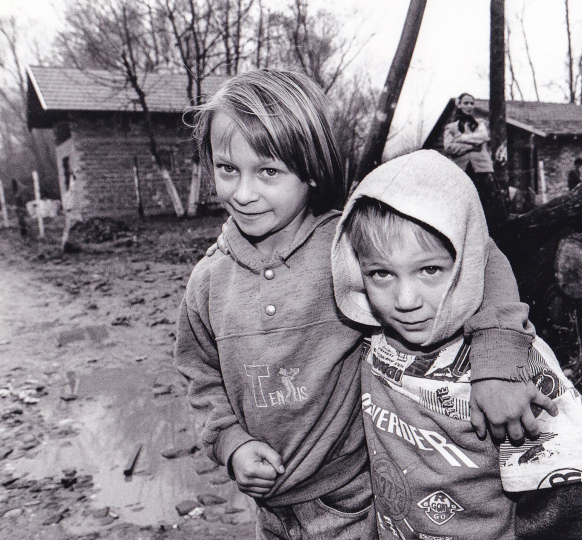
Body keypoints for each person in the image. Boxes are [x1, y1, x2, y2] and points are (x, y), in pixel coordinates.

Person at [176, 69, 553, 540]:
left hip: (358, 496)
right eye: (227, 169)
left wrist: (496, 365)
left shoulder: (348, 245)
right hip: (269, 511)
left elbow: (482, 254)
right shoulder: (207, 281)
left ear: (312, 168)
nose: (244, 192)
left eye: (268, 171)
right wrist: (231, 444)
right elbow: (201, 375)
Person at [332, 150, 582, 540]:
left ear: (466, 263)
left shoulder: (519, 373)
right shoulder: (372, 339)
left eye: (430, 270)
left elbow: (569, 506)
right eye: (381, 273)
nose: (405, 300)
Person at [443, 92, 508, 236]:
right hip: (463, 168)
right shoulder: (451, 127)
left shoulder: (480, 124)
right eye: (466, 103)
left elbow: (483, 136)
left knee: (489, 202)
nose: (469, 106)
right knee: (465, 202)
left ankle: (494, 234)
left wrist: (460, 138)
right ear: (459, 105)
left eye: (471, 103)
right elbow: (449, 147)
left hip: (483, 168)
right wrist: (471, 146)